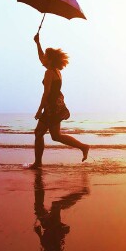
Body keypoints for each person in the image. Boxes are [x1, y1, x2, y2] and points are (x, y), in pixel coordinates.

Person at [26, 33, 89, 169]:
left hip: (52, 106)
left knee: (39, 133)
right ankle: (83, 147)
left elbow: (46, 93)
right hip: (57, 104)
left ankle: (38, 163)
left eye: (46, 57)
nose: (43, 59)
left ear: (50, 59)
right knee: (55, 136)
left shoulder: (49, 73)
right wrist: (37, 43)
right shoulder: (55, 70)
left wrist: (39, 110)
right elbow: (41, 58)